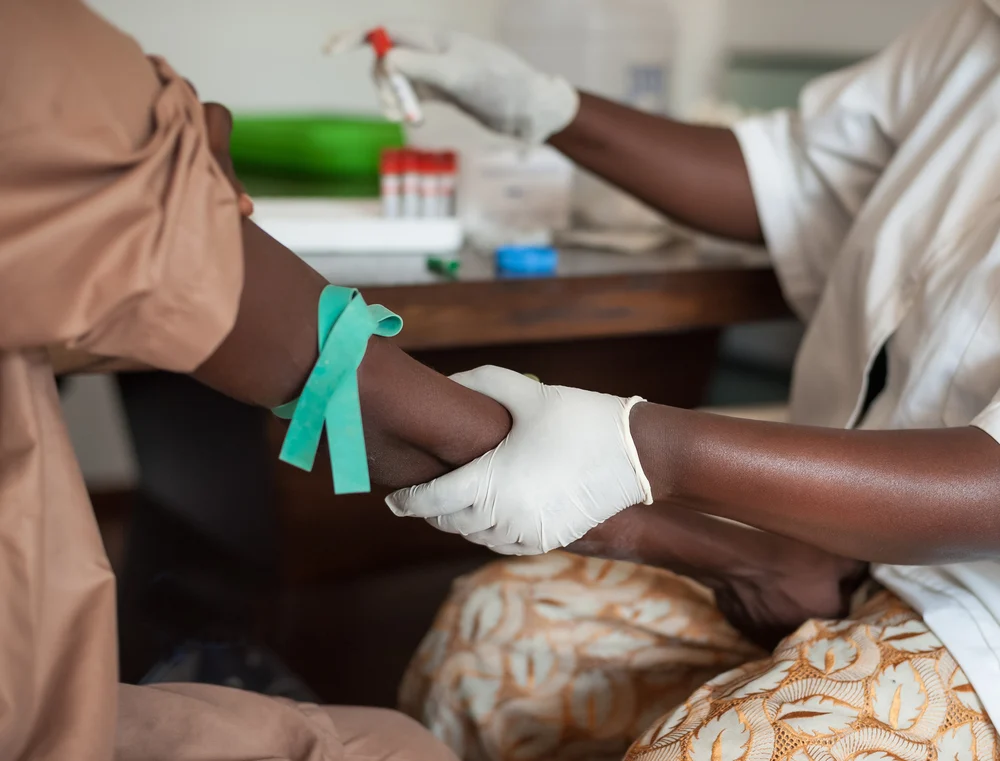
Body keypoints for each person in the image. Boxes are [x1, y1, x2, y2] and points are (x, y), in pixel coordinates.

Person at [330, 2, 1000, 760]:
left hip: (981, 620)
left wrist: (641, 448)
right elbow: (797, 177)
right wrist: (549, 106)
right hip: (827, 542)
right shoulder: (978, 31)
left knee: (730, 744)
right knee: (491, 645)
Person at [0, 1, 521, 759]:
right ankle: (204, 643)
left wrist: (190, 216)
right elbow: (356, 391)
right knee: (401, 746)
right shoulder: (39, 55)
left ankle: (200, 644)